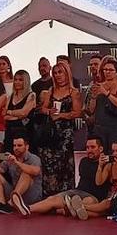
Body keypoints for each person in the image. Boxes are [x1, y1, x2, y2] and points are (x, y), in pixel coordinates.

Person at [38, 61, 82, 195]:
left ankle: (65, 197)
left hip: (65, 134)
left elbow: (77, 112)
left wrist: (61, 115)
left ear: (66, 73)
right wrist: (48, 111)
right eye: (55, 73)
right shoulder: (50, 91)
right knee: (49, 165)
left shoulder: (73, 92)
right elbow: (43, 108)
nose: (58, 76)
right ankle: (48, 196)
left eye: (60, 72)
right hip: (50, 133)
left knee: (64, 166)